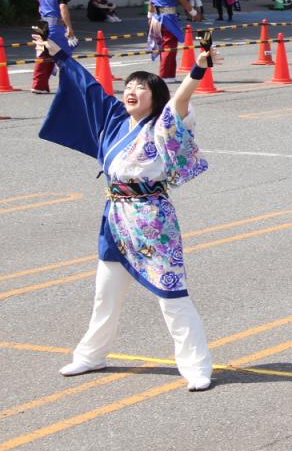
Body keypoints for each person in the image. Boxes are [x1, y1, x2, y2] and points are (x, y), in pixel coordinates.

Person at [32, 29, 222, 392]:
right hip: (115, 217)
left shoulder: (164, 123)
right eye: (128, 86)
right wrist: (58, 54)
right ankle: (91, 354)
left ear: (156, 97)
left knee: (171, 294)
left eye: (141, 87)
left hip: (152, 219)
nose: (131, 91)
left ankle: (196, 366)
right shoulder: (114, 121)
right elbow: (87, 87)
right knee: (106, 293)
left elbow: (179, 102)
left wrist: (198, 69)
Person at [32, 0, 77, 94]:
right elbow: (63, 8)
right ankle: (67, 86)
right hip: (55, 26)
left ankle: (39, 85)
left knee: (44, 55)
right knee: (64, 55)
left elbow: (40, 8)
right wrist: (69, 27)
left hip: (42, 24)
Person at [148, 0, 194, 80]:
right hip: (168, 19)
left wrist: (149, 16)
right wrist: (194, 13)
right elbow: (183, 1)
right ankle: (165, 75)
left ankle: (169, 75)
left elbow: (151, 2)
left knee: (162, 46)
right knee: (169, 47)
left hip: (155, 18)